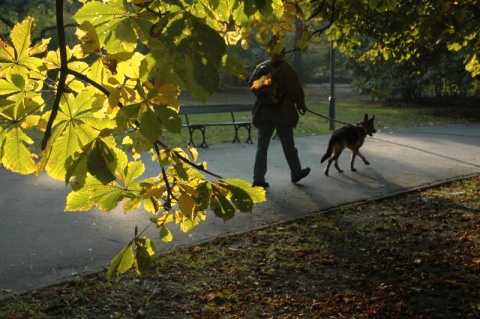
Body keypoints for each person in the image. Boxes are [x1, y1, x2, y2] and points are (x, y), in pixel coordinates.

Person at [249, 48, 310, 188]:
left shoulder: (261, 67)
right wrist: (301, 105)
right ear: (283, 53)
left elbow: (252, 86)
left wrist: (265, 95)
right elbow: (296, 90)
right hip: (283, 113)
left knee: (262, 147)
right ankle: (296, 172)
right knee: (288, 145)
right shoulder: (287, 69)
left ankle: (258, 178)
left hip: (264, 113)